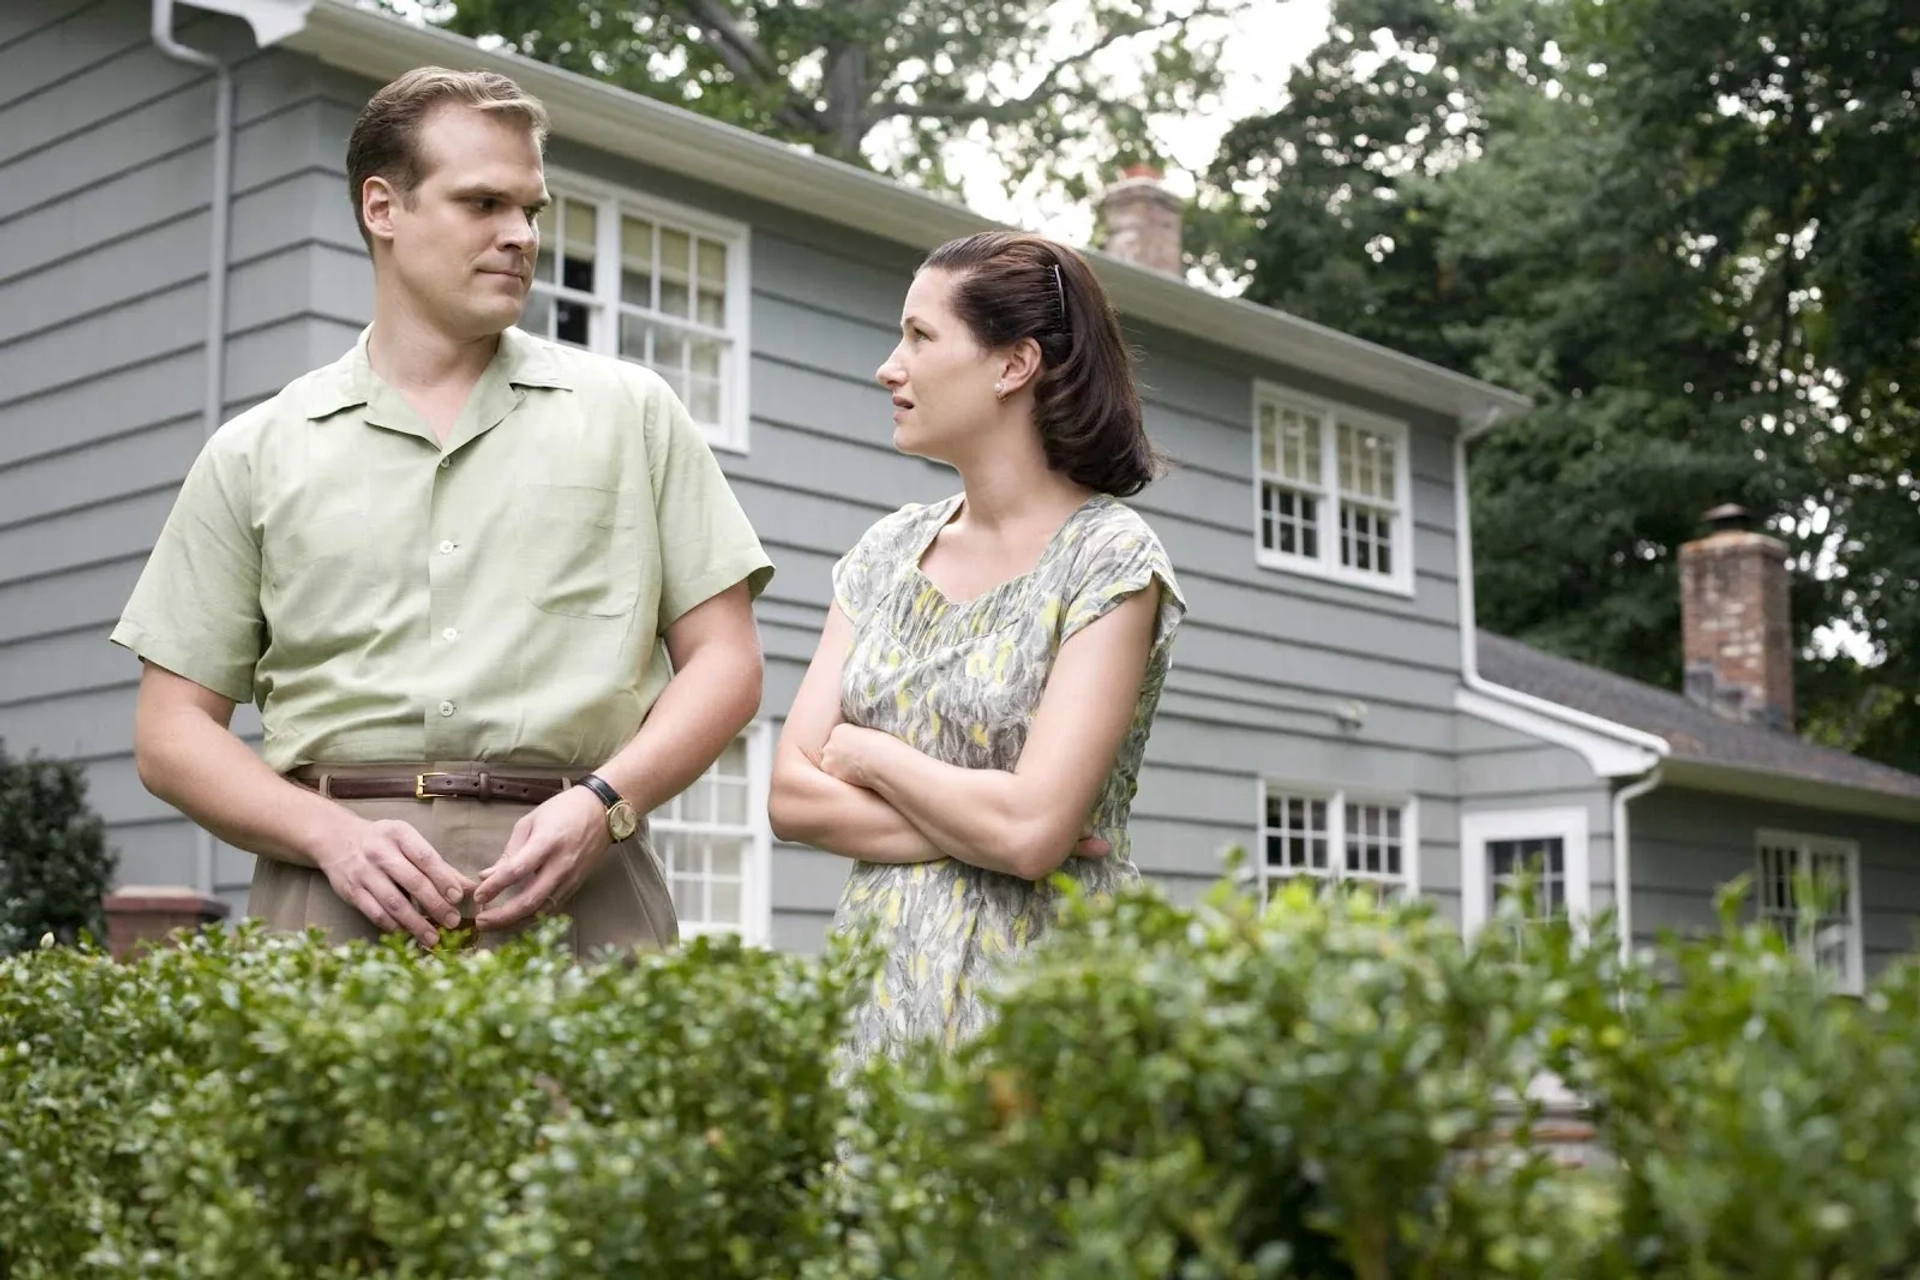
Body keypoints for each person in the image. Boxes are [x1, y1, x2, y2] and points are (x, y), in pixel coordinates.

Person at [111, 68, 773, 956]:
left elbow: (727, 663)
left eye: (531, 211)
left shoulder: (633, 414)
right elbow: (170, 733)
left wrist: (606, 804)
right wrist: (328, 836)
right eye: (483, 203)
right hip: (330, 901)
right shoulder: (257, 451)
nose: (521, 237)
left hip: (587, 888)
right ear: (383, 208)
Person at [768, 230, 1186, 1059]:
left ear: (1012, 365)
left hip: (1042, 1018)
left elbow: (1030, 835)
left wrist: (865, 753)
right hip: (876, 1011)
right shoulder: (886, 554)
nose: (890, 366)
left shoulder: (1109, 559)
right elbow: (791, 799)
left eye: (921, 337)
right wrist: (1003, 825)